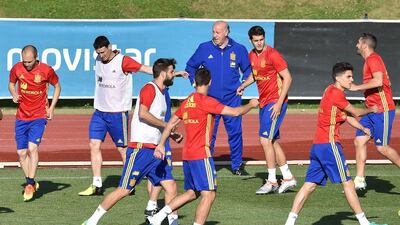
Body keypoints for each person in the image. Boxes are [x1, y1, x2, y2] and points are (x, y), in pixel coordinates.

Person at [149, 68, 259, 225]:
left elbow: (171, 123)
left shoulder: (187, 101)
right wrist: (251, 104)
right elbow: (235, 112)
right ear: (210, 82)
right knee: (209, 194)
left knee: (192, 193)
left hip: (187, 155)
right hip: (201, 154)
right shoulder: (207, 102)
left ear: (195, 83)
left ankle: (158, 217)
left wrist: (161, 144)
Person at [82, 58, 182, 225]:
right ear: (163, 73)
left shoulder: (164, 93)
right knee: (124, 190)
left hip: (155, 151)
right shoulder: (149, 89)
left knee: (171, 187)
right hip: (140, 151)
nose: (173, 75)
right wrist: (166, 125)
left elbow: (156, 122)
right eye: (172, 72)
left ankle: (172, 222)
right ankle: (92, 221)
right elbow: (143, 114)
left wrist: (170, 133)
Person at [284, 62, 386, 225]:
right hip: (330, 145)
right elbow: (357, 112)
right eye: (348, 76)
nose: (352, 79)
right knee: (348, 183)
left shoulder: (329, 91)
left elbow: (346, 116)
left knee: (309, 186)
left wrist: (363, 128)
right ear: (338, 78)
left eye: (352, 76)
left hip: (318, 146)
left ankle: (289, 222)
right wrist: (372, 109)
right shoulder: (337, 94)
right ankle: (364, 222)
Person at [79, 35, 153, 196]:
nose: (102, 56)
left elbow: (144, 68)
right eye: (99, 53)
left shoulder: (123, 61)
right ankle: (97, 184)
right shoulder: (98, 60)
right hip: (99, 112)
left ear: (110, 47)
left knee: (123, 149)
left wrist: (166, 74)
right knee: (94, 144)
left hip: (117, 113)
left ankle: (129, 183)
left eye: (104, 52)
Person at [185, 20, 252, 175]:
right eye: (213, 32)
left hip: (232, 98)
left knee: (235, 133)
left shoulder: (239, 49)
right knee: (209, 134)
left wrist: (243, 84)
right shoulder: (204, 48)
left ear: (226, 32)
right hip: (210, 100)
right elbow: (190, 66)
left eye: (218, 32)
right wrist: (194, 82)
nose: (215, 35)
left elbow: (248, 70)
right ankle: (207, 163)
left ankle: (237, 166)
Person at [237, 25, 296, 194]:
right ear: (251, 41)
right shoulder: (251, 55)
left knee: (264, 140)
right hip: (264, 103)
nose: (259, 43)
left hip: (274, 102)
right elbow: (255, 75)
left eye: (261, 39)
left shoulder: (273, 54)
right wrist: (243, 85)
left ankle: (271, 181)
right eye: (256, 41)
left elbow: (288, 78)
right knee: (272, 141)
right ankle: (288, 177)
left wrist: (278, 103)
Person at [8, 45, 61, 201]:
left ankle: (30, 184)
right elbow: (11, 84)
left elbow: (57, 86)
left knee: (32, 148)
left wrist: (51, 108)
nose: (27, 65)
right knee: (21, 153)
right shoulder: (16, 68)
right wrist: (14, 94)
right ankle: (30, 181)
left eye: (30, 62)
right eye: (25, 62)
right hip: (21, 117)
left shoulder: (46, 70)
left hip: (39, 115)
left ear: (36, 58)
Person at [349, 33, 399, 191]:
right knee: (359, 141)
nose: (356, 45)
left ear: (364, 45)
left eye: (358, 42)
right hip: (371, 109)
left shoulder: (373, 59)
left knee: (382, 148)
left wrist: (356, 87)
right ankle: (360, 179)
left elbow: (378, 81)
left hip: (382, 110)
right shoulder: (369, 61)